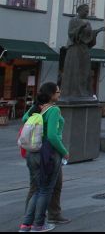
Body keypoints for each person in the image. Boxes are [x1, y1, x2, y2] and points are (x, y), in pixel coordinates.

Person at [20, 82, 69, 232]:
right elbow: (53, 136)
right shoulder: (54, 110)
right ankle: (39, 224)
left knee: (37, 188)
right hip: (48, 153)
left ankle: (26, 224)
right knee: (44, 189)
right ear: (52, 94)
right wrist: (64, 151)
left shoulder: (37, 107)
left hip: (32, 152)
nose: (60, 94)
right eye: (58, 92)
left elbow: (24, 119)